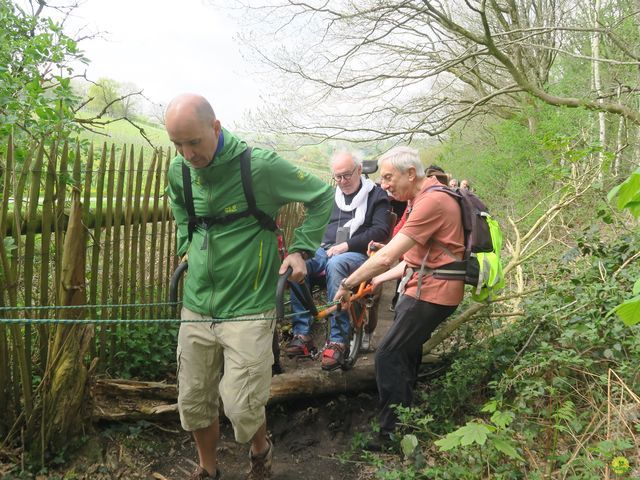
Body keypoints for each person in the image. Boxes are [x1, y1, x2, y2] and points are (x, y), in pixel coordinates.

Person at [165, 93, 334, 480]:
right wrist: (185, 245)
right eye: (177, 144)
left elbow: (322, 196)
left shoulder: (258, 167)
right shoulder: (179, 170)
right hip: (197, 307)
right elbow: (177, 205)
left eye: (194, 142)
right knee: (192, 402)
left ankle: (260, 450)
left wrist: (300, 251)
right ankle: (208, 469)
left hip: (250, 304)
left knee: (241, 405)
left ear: (216, 127)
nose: (187, 154)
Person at [334, 146, 464, 448]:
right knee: (406, 352)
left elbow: (388, 255)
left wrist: (348, 283)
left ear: (410, 173)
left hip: (432, 292)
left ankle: (390, 435)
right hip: (428, 287)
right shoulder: (425, 197)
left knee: (388, 355)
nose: (384, 184)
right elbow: (411, 259)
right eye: (382, 178)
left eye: (389, 177)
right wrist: (376, 280)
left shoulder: (431, 201)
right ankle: (406, 419)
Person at [285, 150, 390, 370]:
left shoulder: (376, 196)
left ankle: (338, 339)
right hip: (325, 250)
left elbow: (381, 230)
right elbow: (314, 225)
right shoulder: (331, 196)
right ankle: (302, 333)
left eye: (347, 175)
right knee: (296, 267)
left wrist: (347, 245)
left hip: (359, 254)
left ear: (359, 170)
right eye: (338, 177)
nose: (342, 181)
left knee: (336, 264)